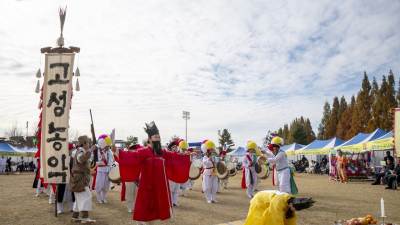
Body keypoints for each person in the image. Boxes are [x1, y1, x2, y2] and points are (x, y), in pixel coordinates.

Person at [112, 121, 195, 225]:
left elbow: (175, 157)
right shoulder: (144, 152)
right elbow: (131, 156)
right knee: (144, 208)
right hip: (147, 186)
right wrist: (117, 152)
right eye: (155, 137)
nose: (158, 139)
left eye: (159, 137)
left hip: (160, 186)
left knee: (156, 210)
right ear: (149, 139)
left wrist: (188, 156)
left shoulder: (163, 152)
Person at [69, 135, 98, 223]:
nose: (89, 145)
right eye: (88, 143)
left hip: (79, 179)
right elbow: (81, 159)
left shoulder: (80, 151)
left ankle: (75, 216)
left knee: (79, 198)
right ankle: (85, 217)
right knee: (87, 197)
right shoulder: (80, 152)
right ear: (83, 143)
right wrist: (91, 150)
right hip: (80, 179)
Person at [244, 190, 315, 225]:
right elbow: (275, 219)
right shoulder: (278, 202)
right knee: (258, 220)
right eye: (295, 209)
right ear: (290, 204)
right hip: (259, 200)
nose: (295, 210)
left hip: (268, 200)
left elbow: (291, 219)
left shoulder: (292, 203)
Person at [115, 144, 140, 213]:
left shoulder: (140, 158)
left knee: (137, 195)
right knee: (129, 194)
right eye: (132, 150)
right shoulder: (127, 157)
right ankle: (130, 208)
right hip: (129, 178)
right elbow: (118, 155)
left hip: (138, 179)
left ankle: (136, 208)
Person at [92, 134, 114, 204]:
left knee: (106, 186)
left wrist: (112, 168)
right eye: (107, 146)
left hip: (107, 171)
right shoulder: (99, 153)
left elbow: (110, 163)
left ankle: (103, 198)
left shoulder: (109, 154)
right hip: (100, 171)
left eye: (108, 146)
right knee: (99, 185)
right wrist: (101, 160)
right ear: (103, 146)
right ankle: (99, 198)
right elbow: (96, 163)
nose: (108, 147)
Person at [56, 143, 75, 214]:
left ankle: (72, 207)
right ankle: (59, 208)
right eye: (70, 150)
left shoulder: (73, 159)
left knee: (71, 193)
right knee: (60, 193)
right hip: (62, 178)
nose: (71, 152)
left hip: (71, 179)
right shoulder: (60, 158)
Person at [167, 141, 181, 206]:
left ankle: (175, 202)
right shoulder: (168, 155)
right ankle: (170, 202)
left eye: (177, 147)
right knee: (171, 188)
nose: (176, 148)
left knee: (177, 189)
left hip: (177, 174)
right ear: (171, 148)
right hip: (171, 174)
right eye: (175, 147)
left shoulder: (178, 155)